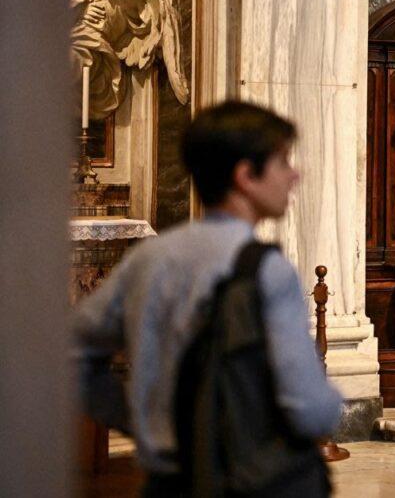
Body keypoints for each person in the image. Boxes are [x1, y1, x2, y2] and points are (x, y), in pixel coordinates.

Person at [72, 101, 343, 496]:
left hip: (166, 481)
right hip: (248, 482)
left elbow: (70, 350)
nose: (295, 174)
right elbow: (310, 407)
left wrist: (137, 415)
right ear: (246, 175)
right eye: (283, 161)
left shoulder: (147, 258)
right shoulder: (267, 271)